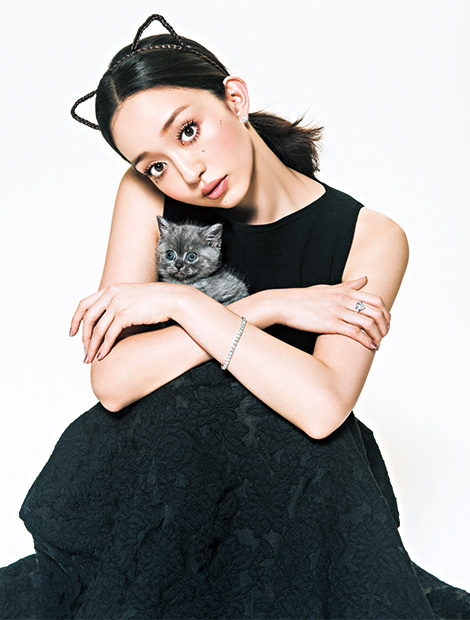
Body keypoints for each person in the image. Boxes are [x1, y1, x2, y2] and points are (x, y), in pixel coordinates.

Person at [1, 12, 469, 620]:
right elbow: (112, 382)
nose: (186, 173)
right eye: (155, 163)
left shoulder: (371, 237)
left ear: (235, 98)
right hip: (157, 485)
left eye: (188, 130)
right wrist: (257, 305)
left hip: (284, 495)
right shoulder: (146, 197)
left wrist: (180, 307)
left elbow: (322, 406)